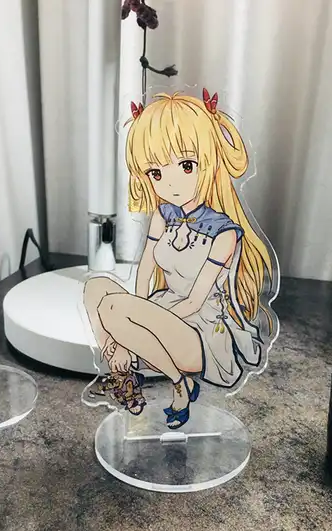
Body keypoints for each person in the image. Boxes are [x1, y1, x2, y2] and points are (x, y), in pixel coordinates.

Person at [84, 89, 275, 429]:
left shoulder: (224, 233)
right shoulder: (164, 214)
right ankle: (125, 379)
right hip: (164, 309)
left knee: (113, 308)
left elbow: (195, 301)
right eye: (156, 173)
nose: (170, 184)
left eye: (186, 166)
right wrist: (129, 322)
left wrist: (131, 324)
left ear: (209, 161)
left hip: (202, 331)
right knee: (96, 287)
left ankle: (180, 383)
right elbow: (145, 270)